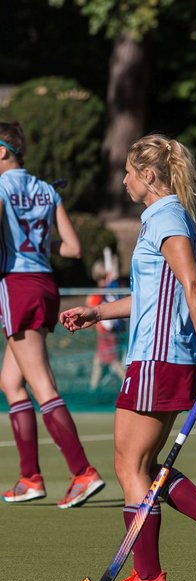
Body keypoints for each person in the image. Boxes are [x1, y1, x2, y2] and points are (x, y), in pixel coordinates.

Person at [60, 133, 196, 581]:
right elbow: (153, 296)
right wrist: (99, 312)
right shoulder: (164, 219)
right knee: (143, 467)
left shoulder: (166, 216)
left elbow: (192, 283)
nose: (123, 180)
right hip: (160, 358)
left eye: (128, 171)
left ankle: (150, 578)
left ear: (148, 176)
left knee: (129, 465)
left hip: (157, 358)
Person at [0, 120, 105, 508]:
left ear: (1, 152)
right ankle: (30, 478)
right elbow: (74, 248)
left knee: (42, 384)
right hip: (45, 284)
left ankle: (83, 472)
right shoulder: (46, 189)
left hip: (18, 285)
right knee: (11, 382)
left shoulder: (2, 186)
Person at [87, 258, 127, 391]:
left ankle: (129, 386)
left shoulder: (109, 291)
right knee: (98, 362)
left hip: (108, 332)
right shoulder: (105, 291)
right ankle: (93, 390)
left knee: (113, 362)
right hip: (103, 332)